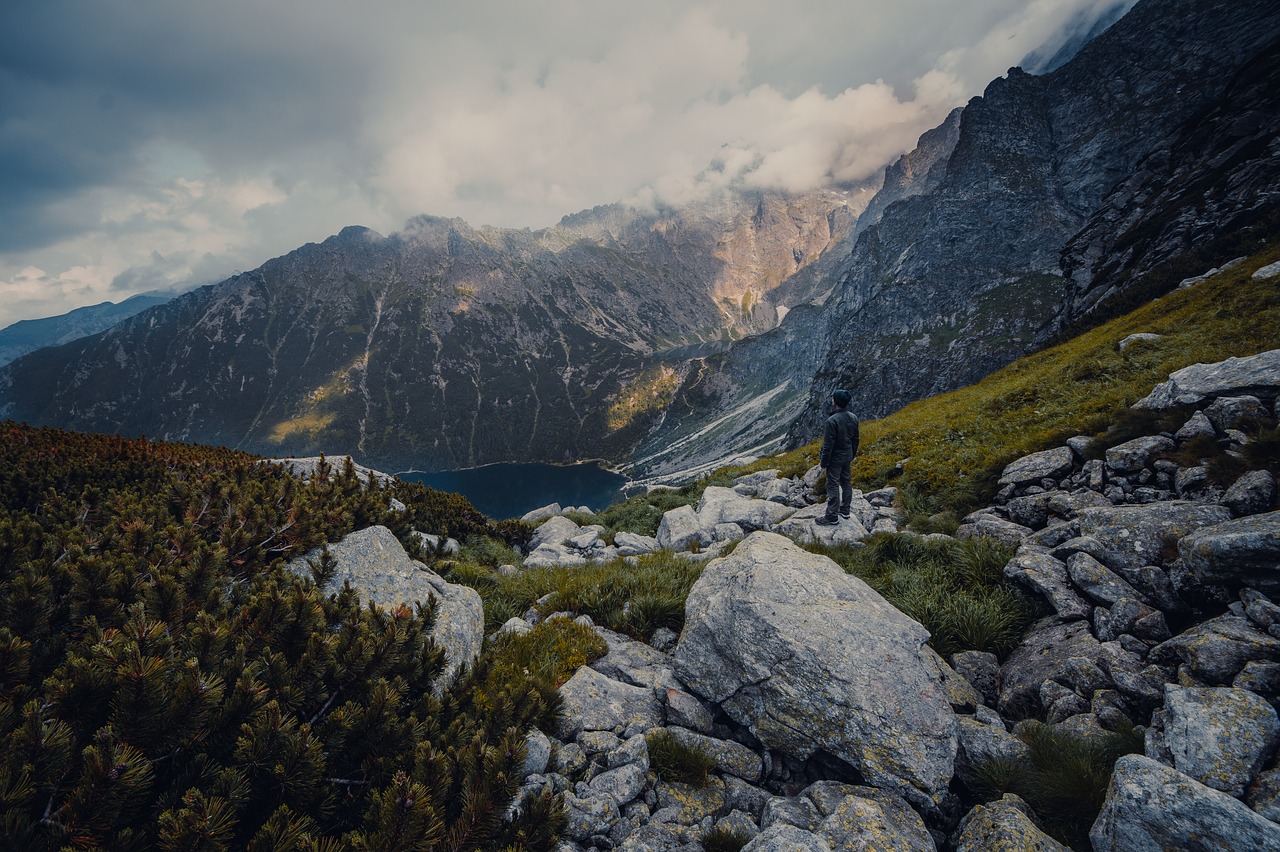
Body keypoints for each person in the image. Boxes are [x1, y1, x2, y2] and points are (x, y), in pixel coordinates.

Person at [815, 388, 859, 525]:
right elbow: (855, 439)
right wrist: (852, 454)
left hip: (835, 458)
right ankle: (845, 510)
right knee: (846, 482)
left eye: (833, 398)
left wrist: (823, 463)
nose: (832, 400)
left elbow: (828, 445)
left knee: (832, 484)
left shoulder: (832, 421)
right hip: (847, 455)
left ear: (836, 402)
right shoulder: (853, 417)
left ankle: (832, 516)